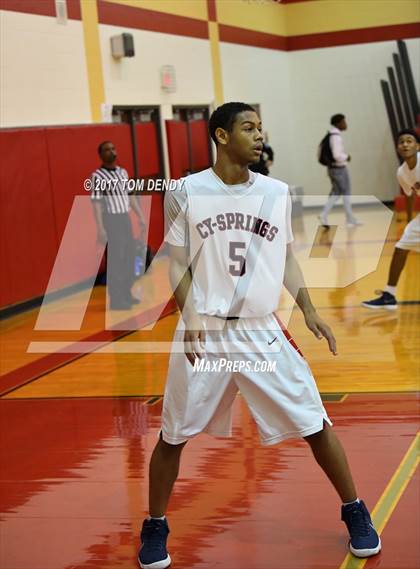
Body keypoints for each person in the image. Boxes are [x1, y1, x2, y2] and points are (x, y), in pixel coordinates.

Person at [138, 103, 381, 569]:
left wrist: (309, 309)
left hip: (262, 332)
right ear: (221, 135)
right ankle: (155, 525)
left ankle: (355, 511)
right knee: (173, 434)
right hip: (207, 330)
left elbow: (285, 257)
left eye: (260, 128)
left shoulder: (274, 191)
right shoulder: (186, 191)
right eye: (248, 127)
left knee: (314, 421)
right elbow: (176, 263)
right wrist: (190, 319)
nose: (258, 135)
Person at [362, 129, 419, 309]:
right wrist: (409, 220)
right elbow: (410, 195)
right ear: (397, 148)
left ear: (417, 146)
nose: (405, 144)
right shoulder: (402, 172)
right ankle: (389, 295)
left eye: (409, 141)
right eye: (401, 142)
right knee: (401, 247)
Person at [91, 141, 146, 310]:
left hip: (125, 218)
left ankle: (126, 293)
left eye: (113, 148)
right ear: (101, 155)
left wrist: (141, 217)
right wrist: (100, 228)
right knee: (116, 260)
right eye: (107, 150)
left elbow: (130, 196)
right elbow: (96, 203)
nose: (111, 151)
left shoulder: (123, 172)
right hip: (111, 220)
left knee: (129, 257)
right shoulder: (97, 176)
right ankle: (116, 299)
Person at [319, 114, 362, 228]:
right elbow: (337, 155)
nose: (345, 124)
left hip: (334, 169)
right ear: (338, 123)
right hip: (338, 169)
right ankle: (349, 219)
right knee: (345, 193)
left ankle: (324, 214)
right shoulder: (335, 136)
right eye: (343, 122)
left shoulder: (331, 135)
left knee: (336, 193)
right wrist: (346, 157)